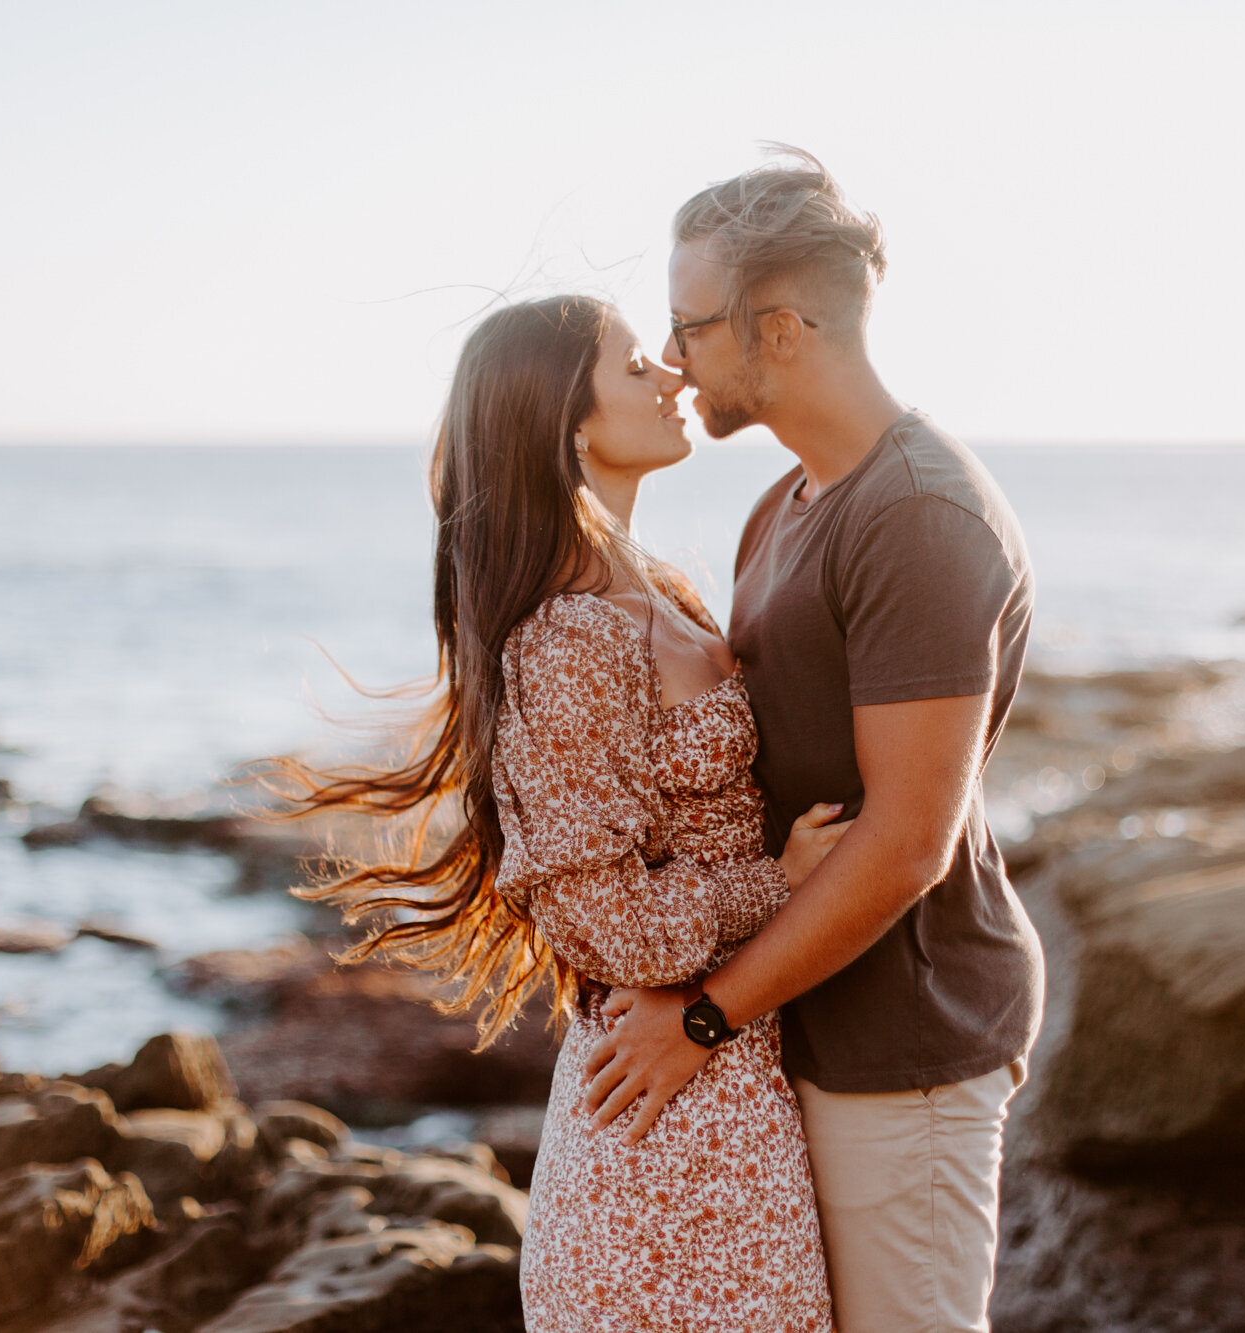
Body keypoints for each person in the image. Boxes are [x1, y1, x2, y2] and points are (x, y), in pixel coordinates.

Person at [252, 295, 839, 1332]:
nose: (667, 371)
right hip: (662, 1132)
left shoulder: (654, 589)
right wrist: (780, 882)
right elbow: (604, 923)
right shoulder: (569, 635)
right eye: (630, 366)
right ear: (570, 422)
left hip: (720, 1091)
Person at [579, 148, 1045, 1333]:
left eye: (688, 328)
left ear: (778, 328)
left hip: (908, 1043)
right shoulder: (784, 505)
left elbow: (902, 843)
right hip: (805, 1024)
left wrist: (699, 1019)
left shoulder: (917, 518)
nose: (671, 363)